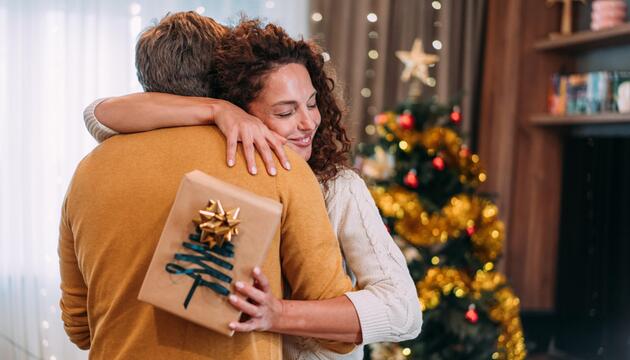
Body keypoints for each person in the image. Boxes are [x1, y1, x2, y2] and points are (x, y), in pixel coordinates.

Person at [83, 15, 422, 359]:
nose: (309, 123)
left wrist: (278, 314)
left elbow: (404, 312)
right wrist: (217, 110)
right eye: (285, 112)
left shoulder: (337, 187)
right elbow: (99, 116)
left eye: (311, 103)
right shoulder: (229, 178)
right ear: (244, 114)